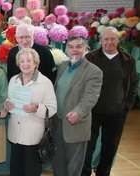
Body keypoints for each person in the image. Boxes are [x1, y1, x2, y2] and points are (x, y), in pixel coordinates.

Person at [82, 27, 138, 176]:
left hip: (117, 112)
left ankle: (103, 172)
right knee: (88, 146)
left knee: (110, 147)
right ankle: (85, 173)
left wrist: (127, 105)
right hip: (93, 110)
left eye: (113, 38)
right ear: (100, 40)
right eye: (106, 39)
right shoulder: (91, 58)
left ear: (118, 40)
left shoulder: (128, 60)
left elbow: (133, 83)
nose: (109, 42)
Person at [52, 35, 103, 176]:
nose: (75, 50)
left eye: (79, 46)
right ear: (66, 49)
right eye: (71, 46)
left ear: (86, 48)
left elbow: (90, 97)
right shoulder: (62, 66)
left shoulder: (94, 71)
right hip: (57, 123)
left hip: (76, 124)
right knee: (58, 163)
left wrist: (78, 113)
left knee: (73, 167)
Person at [5, 48, 57, 176]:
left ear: (35, 63)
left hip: (33, 135)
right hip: (15, 134)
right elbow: (9, 99)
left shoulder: (45, 82)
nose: (25, 64)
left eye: (29, 60)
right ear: (18, 64)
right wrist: (7, 104)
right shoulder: (13, 80)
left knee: (31, 170)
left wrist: (36, 108)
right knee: (16, 170)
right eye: (22, 61)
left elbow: (52, 108)